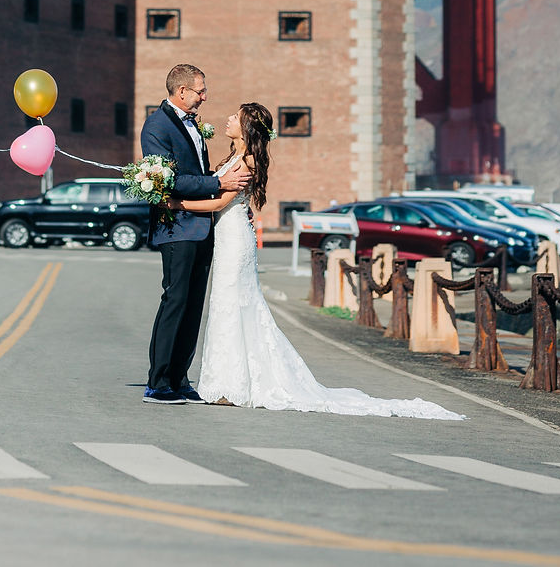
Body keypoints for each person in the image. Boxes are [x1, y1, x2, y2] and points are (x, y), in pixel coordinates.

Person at [179, 101, 463, 419]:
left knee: (233, 304)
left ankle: (233, 385)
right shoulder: (233, 156)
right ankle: (225, 381)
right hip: (227, 238)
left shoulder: (247, 162)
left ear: (245, 128)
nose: (228, 119)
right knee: (226, 304)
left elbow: (218, 204)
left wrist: (177, 204)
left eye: (235, 117)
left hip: (235, 241)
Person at [140, 63, 250, 404]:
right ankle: (158, 383)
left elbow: (195, 171)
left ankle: (180, 379)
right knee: (175, 301)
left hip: (203, 228)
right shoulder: (157, 126)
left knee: (193, 306)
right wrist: (219, 183)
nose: (205, 97)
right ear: (182, 91)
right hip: (176, 227)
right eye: (200, 91)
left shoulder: (193, 124)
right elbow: (170, 180)